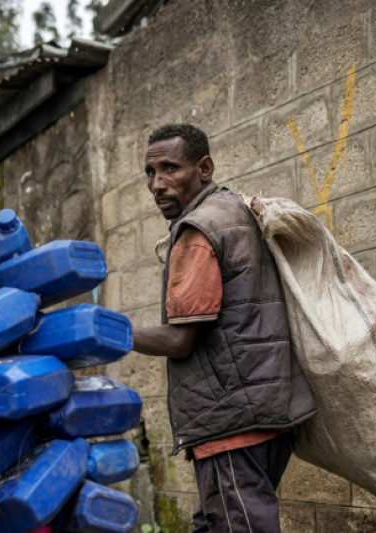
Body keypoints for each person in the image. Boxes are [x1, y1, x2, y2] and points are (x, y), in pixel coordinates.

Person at [131, 123, 317, 532]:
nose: (157, 184)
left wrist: (108, 331)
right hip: (271, 408)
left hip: (232, 420)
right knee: (217, 523)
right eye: (150, 172)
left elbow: (180, 340)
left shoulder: (198, 231)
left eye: (169, 169)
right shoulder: (237, 210)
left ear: (204, 168)